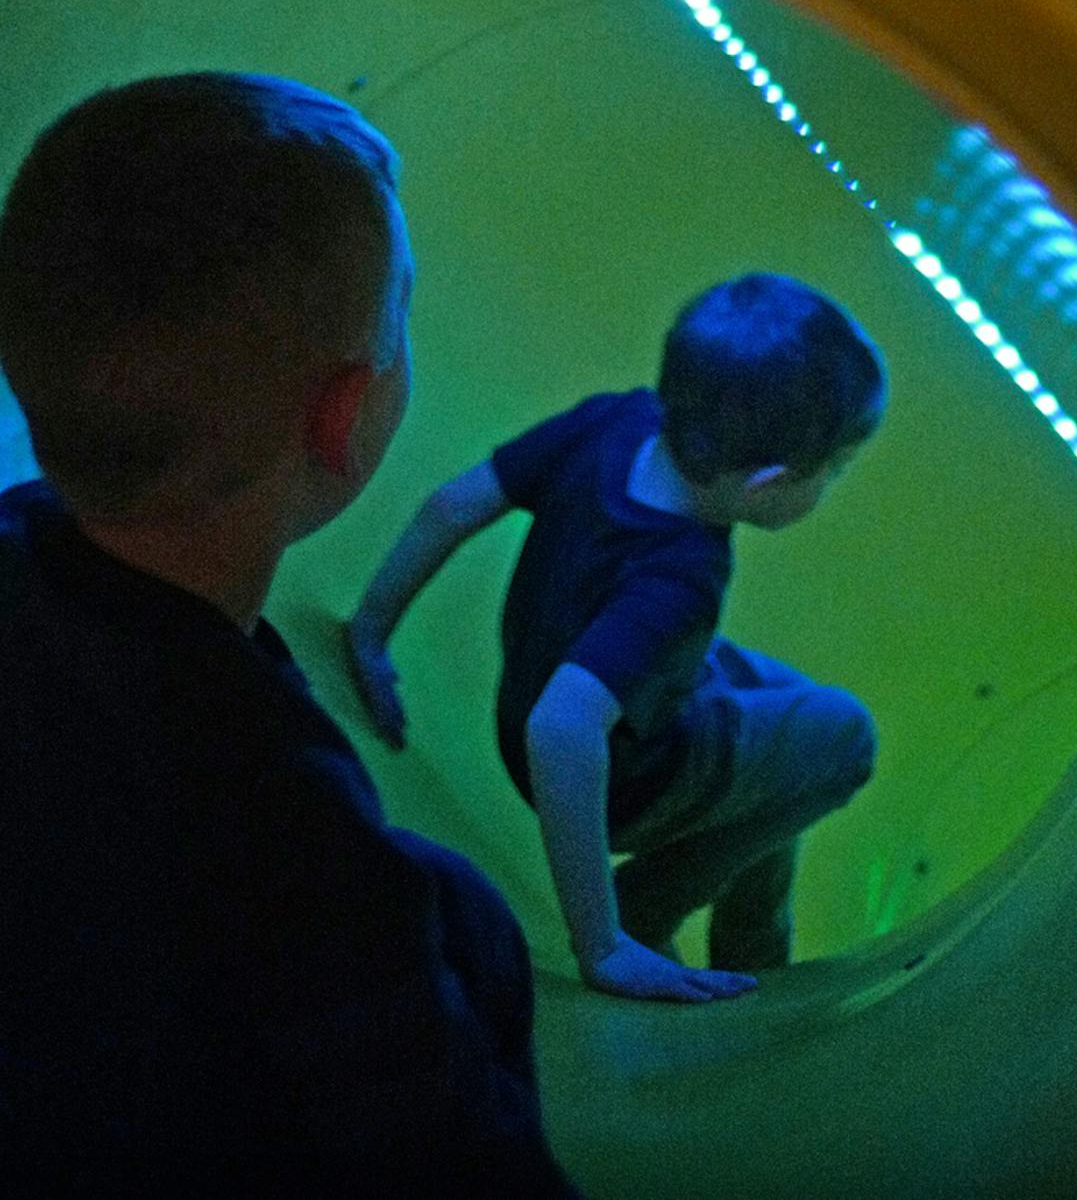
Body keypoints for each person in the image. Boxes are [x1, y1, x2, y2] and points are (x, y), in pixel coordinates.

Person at [0, 73, 581, 1198]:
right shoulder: (279, 810)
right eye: (404, 316)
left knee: (454, 902)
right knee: (472, 931)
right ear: (340, 419)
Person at [345, 274, 884, 1006]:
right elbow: (563, 728)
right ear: (767, 482)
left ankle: (756, 953)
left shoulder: (619, 418)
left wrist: (372, 632)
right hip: (633, 781)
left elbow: (452, 505)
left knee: (793, 720)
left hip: (600, 686)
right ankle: (648, 907)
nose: (832, 484)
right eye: (835, 471)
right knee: (845, 739)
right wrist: (601, 945)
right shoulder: (680, 577)